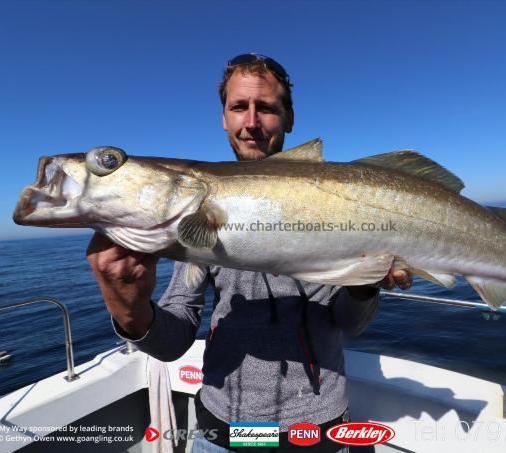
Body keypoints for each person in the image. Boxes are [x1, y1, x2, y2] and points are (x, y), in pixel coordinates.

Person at [86, 53, 411, 452]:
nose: (251, 123)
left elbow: (347, 322)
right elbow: (174, 341)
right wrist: (129, 309)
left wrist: (364, 287)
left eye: (267, 108)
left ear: (288, 119)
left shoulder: (336, 206)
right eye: (239, 107)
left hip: (317, 429)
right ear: (224, 118)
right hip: (227, 430)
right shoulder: (195, 212)